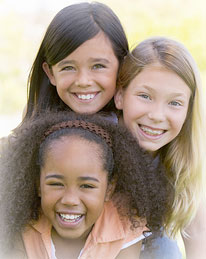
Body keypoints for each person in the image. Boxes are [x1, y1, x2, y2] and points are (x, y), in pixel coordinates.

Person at [0, 111, 173, 259]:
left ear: (109, 188)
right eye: (56, 183)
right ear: (38, 184)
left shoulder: (124, 227)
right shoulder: (21, 223)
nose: (70, 200)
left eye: (87, 186)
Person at [114, 36, 206, 259]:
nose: (156, 116)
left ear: (188, 111)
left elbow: (199, 239)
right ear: (119, 96)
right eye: (145, 96)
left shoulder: (185, 161)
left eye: (174, 103)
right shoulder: (93, 151)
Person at [23, 1, 129, 119]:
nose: (83, 81)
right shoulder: (35, 117)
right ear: (50, 73)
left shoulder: (135, 123)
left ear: (122, 67)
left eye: (98, 66)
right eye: (68, 68)